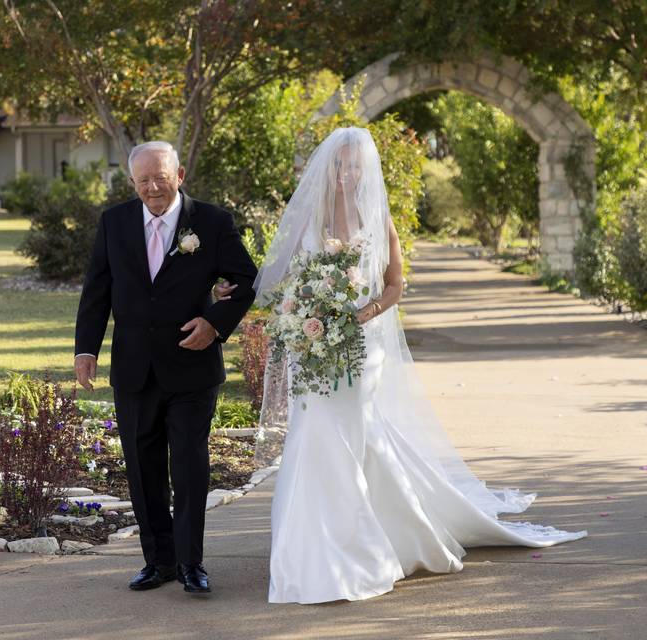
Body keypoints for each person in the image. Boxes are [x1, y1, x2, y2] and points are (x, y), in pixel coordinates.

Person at [245, 127, 587, 604]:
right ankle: (311, 549)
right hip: (314, 345)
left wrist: (362, 314)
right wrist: (299, 313)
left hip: (363, 349)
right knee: (313, 437)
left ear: (364, 168)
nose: (346, 173)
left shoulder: (379, 218)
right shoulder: (312, 219)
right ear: (329, 169)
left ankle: (369, 541)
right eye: (339, 165)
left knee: (354, 434)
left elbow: (394, 286)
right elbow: (283, 280)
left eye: (353, 165)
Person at [74, 141, 257, 594]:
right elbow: (97, 289)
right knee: (142, 467)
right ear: (132, 183)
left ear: (178, 176)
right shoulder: (114, 222)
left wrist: (215, 324)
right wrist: (86, 350)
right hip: (134, 368)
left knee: (190, 468)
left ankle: (192, 564)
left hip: (192, 367)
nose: (152, 187)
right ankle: (159, 562)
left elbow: (248, 281)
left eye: (160, 177)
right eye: (142, 181)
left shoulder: (211, 223)